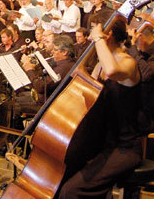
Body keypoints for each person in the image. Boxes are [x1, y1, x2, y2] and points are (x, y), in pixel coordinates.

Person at [58, 15, 141, 199]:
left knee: (71, 191)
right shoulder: (99, 66)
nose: (89, 38)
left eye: (93, 32)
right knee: (60, 179)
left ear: (107, 34)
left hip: (124, 147)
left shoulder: (128, 63)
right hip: (100, 143)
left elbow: (112, 71)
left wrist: (98, 39)